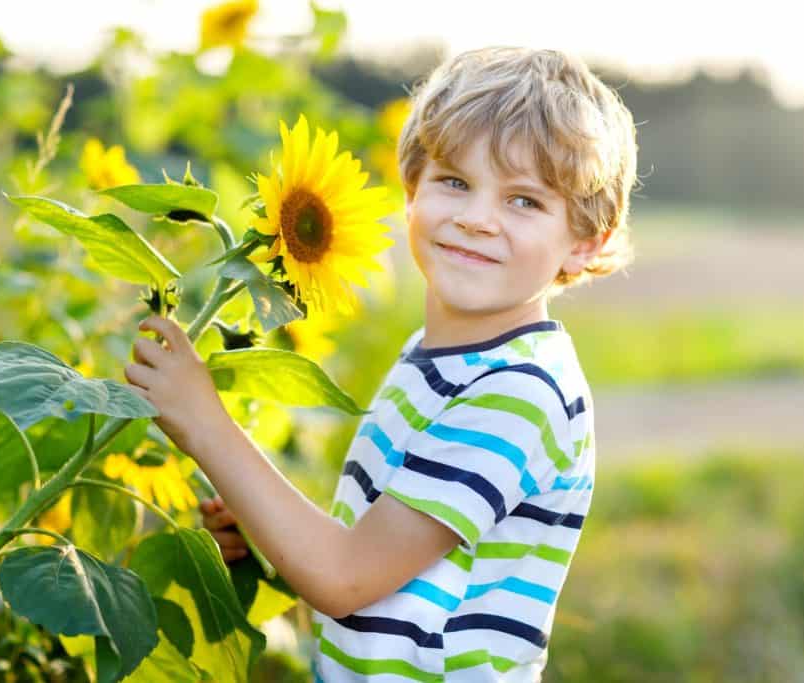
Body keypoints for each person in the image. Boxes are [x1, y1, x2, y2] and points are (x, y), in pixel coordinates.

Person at [127, 46, 638, 682]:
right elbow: (384, 580)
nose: (477, 219)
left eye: (525, 201)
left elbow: (344, 579)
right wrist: (269, 534)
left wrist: (205, 423)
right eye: (455, 182)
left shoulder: (519, 393)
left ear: (585, 238)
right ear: (412, 189)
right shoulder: (438, 360)